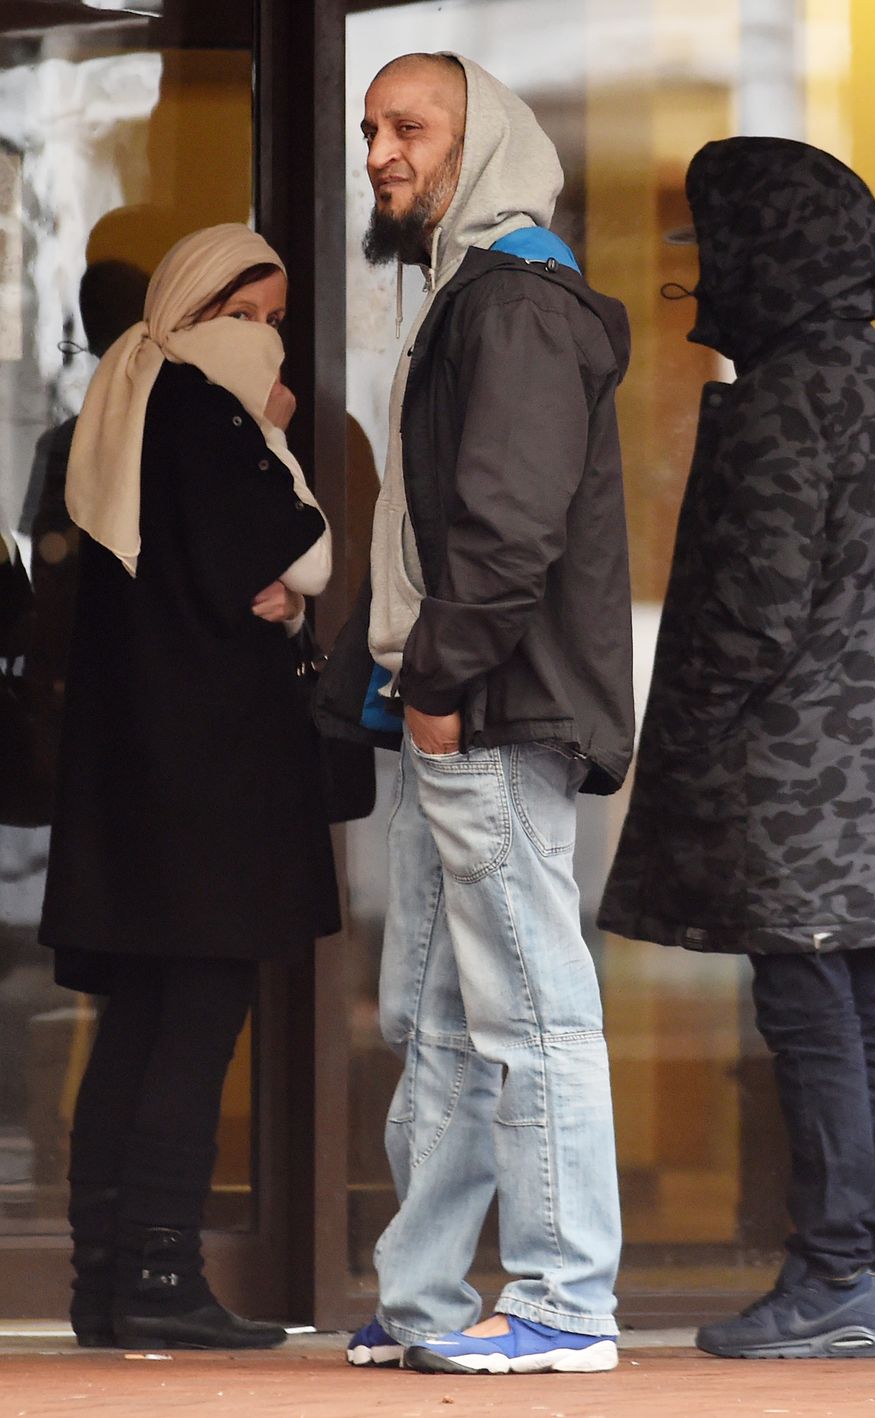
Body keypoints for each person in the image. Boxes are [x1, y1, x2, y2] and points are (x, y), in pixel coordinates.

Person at [317, 53, 633, 1375]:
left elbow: (505, 532)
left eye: (411, 127)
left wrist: (440, 687)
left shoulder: (513, 304)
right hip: (449, 704)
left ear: (482, 137)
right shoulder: (471, 294)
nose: (381, 151)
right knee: (438, 1019)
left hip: (486, 713)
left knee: (529, 1011)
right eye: (371, 127)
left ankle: (566, 1296)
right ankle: (432, 1291)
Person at [599, 138, 875, 1360]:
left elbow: (754, 604)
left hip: (790, 772)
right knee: (854, 1006)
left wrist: (678, 734)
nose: (701, 270)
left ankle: (832, 1269)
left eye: (714, 242)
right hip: (869, 768)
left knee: (808, 1016)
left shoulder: (791, 391)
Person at [39, 224, 338, 1350]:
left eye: (273, 322)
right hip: (206, 785)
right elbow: (295, 551)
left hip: (131, 780)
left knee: (138, 1020)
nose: (262, 343)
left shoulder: (124, 401)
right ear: (189, 312)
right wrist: (278, 449)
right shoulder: (205, 414)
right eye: (243, 317)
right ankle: (161, 1273)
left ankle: (108, 1274)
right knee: (195, 1018)